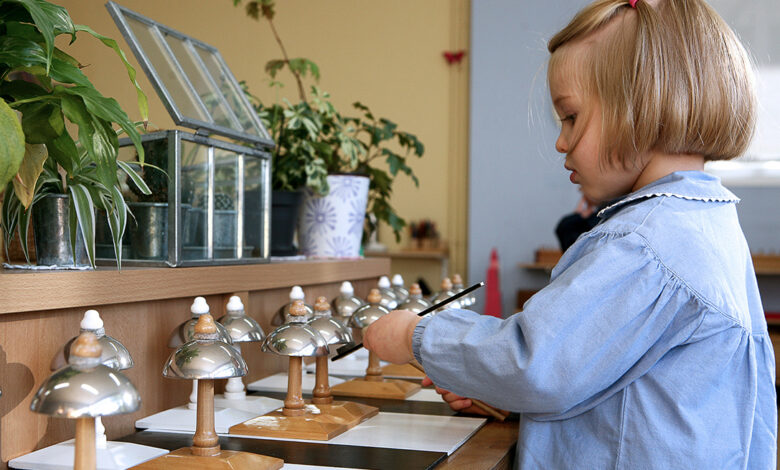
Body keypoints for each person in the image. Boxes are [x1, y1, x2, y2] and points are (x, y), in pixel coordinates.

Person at [363, 0, 778, 467]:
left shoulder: (645, 244)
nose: (561, 141)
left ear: (640, 108)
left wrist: (416, 335)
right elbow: (627, 390)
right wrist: (511, 401)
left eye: (571, 117)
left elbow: (534, 364)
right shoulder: (705, 223)